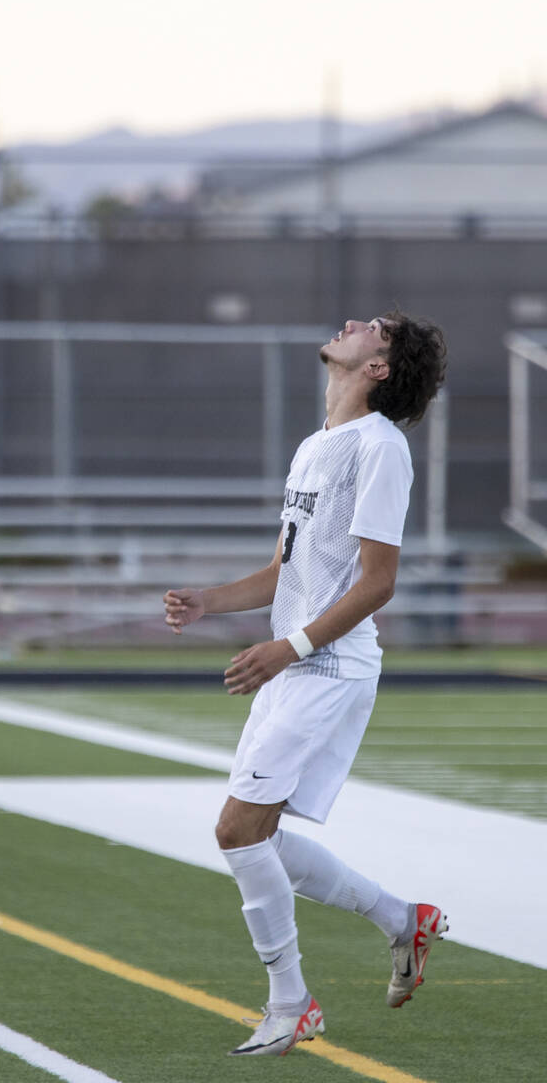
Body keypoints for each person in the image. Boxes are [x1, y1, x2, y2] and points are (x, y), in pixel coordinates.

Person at [163, 311, 448, 1058]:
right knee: (257, 837)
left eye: (372, 328)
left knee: (236, 830)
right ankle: (401, 920)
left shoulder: (381, 450)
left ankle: (292, 1005)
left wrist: (286, 648)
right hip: (298, 666)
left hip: (327, 668)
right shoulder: (316, 446)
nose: (352, 323)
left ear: (378, 367)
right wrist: (210, 601)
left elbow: (378, 584)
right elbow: (286, 571)